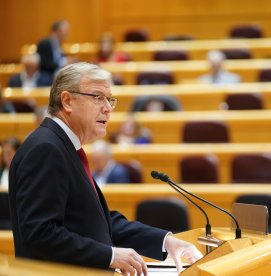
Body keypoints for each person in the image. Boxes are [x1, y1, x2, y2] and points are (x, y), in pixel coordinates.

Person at [8, 62, 202, 275]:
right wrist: (110, 256)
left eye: (109, 100)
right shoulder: (46, 149)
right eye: (98, 97)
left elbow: (98, 221)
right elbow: (40, 234)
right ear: (67, 101)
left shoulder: (62, 146)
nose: (108, 108)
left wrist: (165, 241)